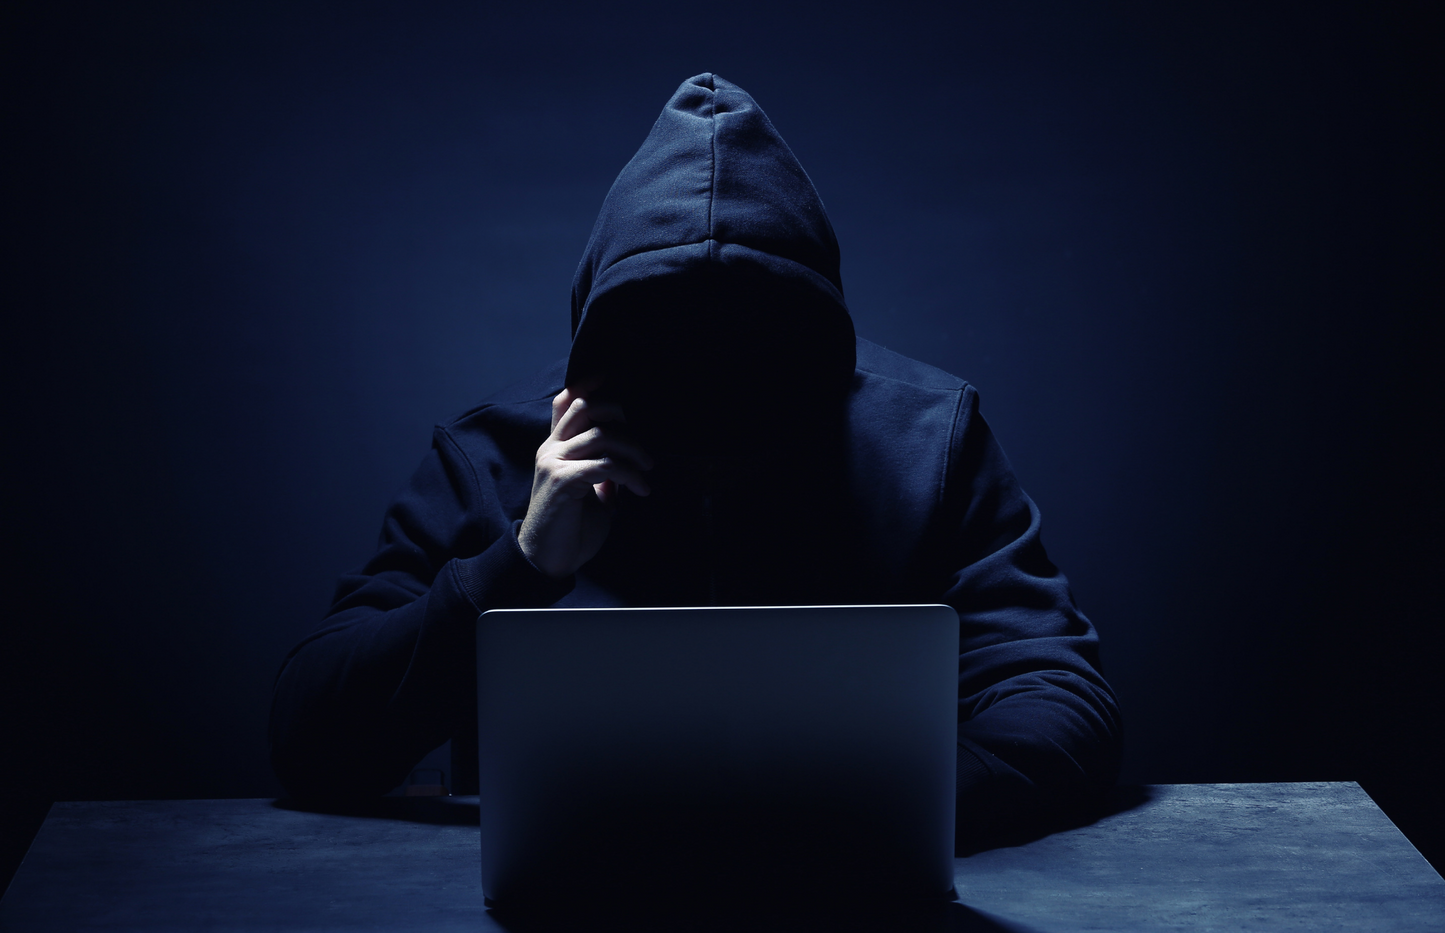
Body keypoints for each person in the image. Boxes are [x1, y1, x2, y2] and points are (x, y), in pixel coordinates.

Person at [268, 72, 1122, 841]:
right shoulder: (494, 456)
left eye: (752, 345)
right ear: (597, 338)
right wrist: (520, 564)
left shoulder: (929, 441)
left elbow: (1058, 697)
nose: (712, 381)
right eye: (670, 346)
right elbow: (308, 736)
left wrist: (867, 816)